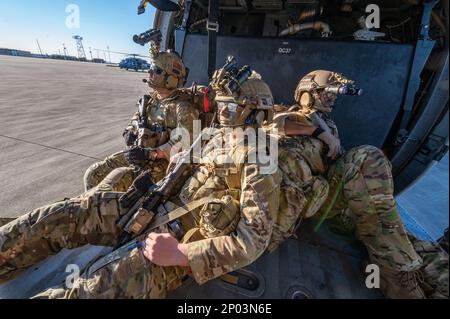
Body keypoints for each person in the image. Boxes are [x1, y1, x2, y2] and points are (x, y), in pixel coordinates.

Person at [0, 68, 282, 299]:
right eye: (220, 106)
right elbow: (186, 156)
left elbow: (251, 242)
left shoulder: (262, 160)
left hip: (177, 242)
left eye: (230, 108)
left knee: (93, 290)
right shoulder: (215, 136)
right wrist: (177, 161)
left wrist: (180, 253)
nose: (222, 115)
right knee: (66, 215)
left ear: (256, 112)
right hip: (152, 206)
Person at [269, 70, 428, 299]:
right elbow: (277, 125)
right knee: (367, 156)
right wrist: (318, 133)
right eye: (326, 94)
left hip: (332, 200)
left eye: (333, 95)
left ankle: (402, 266)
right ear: (306, 94)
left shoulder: (327, 123)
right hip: (307, 200)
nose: (332, 99)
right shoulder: (296, 114)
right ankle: (396, 276)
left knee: (418, 247)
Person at [83, 42, 205, 191]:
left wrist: (152, 154)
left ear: (171, 79)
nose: (149, 73)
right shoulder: (151, 100)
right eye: (151, 68)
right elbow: (135, 120)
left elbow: (185, 142)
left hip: (164, 164)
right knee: (93, 174)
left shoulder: (184, 107)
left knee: (114, 184)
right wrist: (129, 131)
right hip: (140, 154)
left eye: (156, 70)